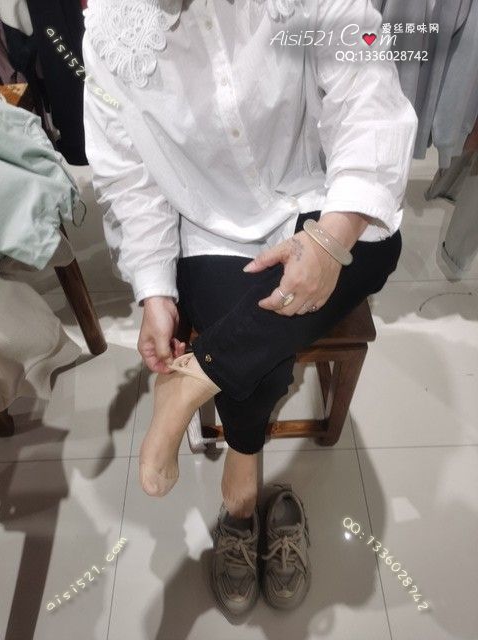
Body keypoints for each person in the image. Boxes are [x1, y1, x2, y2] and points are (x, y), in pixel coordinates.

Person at [82, 0, 418, 616]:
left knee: (378, 243)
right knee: (250, 350)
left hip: (311, 192)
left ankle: (194, 382)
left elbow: (367, 89)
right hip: (210, 224)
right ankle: (242, 487)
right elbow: (129, 179)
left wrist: (331, 236)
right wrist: (155, 292)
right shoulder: (111, 33)